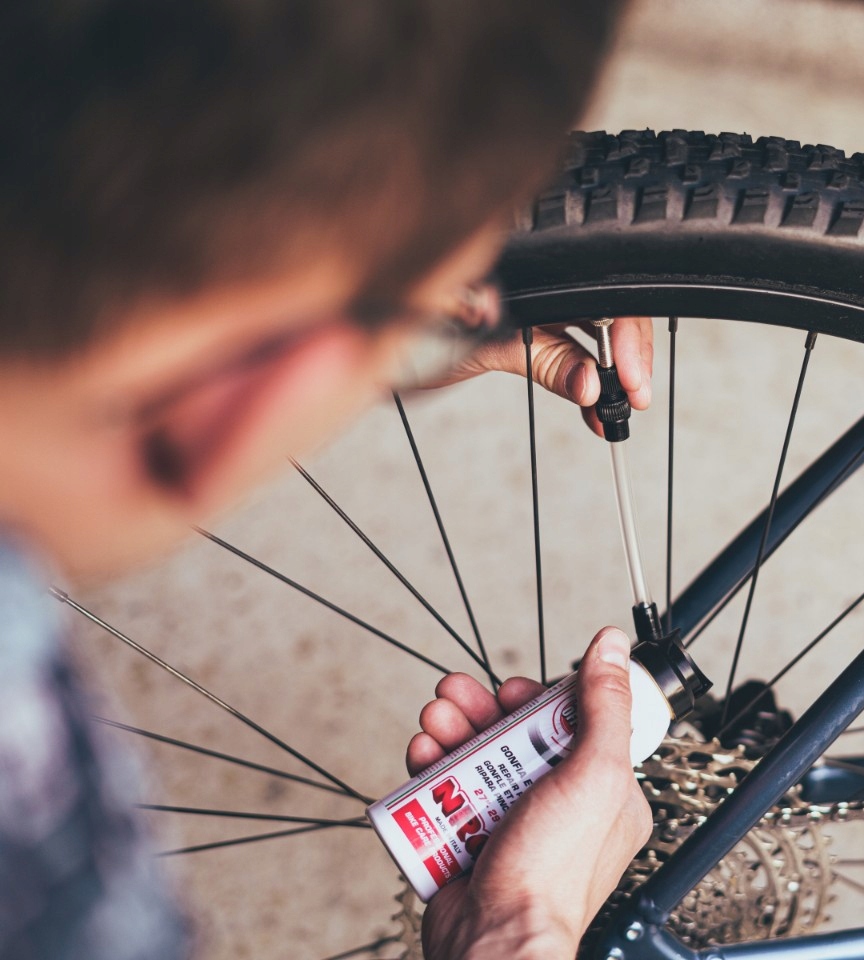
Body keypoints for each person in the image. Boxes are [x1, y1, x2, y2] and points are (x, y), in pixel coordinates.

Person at [0, 2, 657, 958]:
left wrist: (361, 301)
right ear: (243, 409)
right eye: (428, 322)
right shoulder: (41, 866)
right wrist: (518, 931)